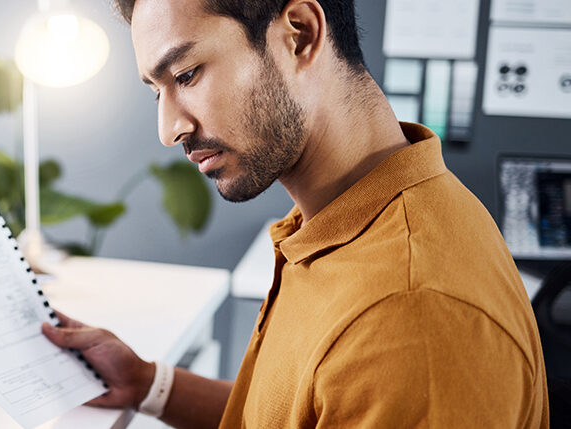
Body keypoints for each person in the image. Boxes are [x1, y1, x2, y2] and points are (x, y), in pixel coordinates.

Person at [40, 0, 550, 427]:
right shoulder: (344, 218)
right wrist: (148, 385)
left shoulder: (410, 318)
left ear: (299, 35)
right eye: (158, 91)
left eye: (186, 75)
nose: (168, 128)